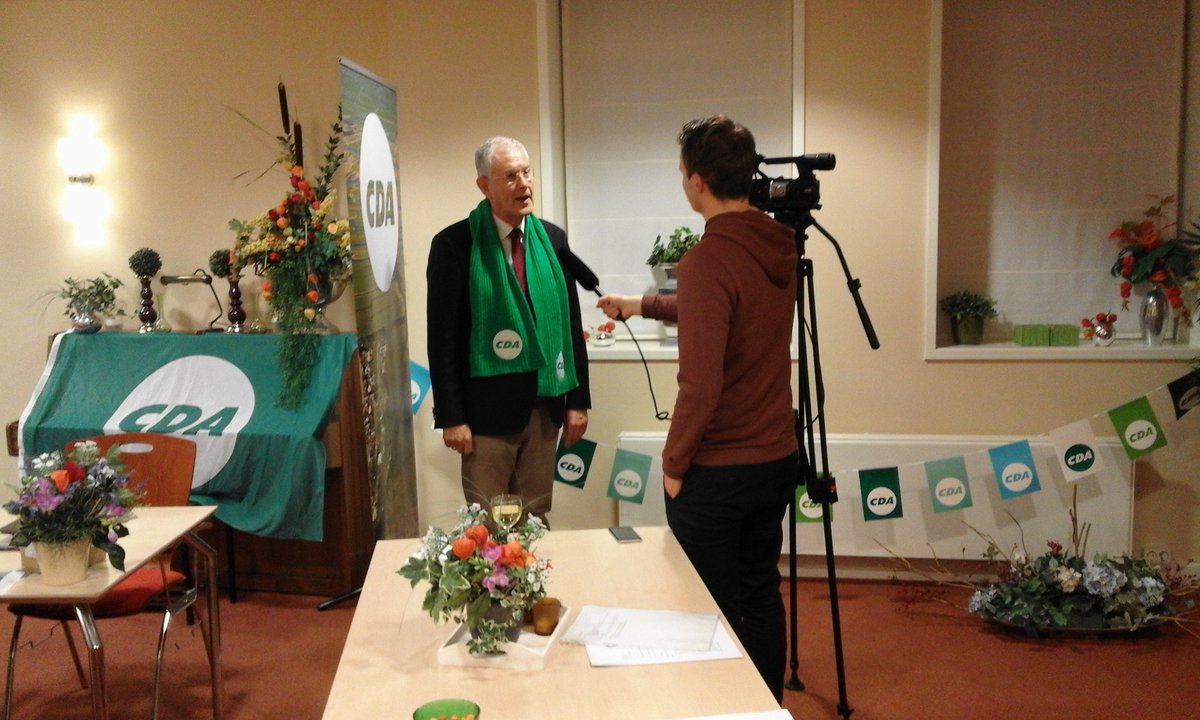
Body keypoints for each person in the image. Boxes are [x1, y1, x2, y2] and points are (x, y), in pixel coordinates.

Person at [598, 116, 798, 702]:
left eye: (683, 173)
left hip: (719, 470)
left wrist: (675, 463)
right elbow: (726, 312)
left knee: (704, 605)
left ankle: (717, 708)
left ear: (699, 182)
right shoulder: (776, 245)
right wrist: (643, 304)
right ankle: (765, 706)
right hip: (774, 458)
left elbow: (701, 384)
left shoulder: (709, 259)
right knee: (759, 591)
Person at [427, 137, 590, 524]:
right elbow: (441, 339)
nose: (524, 184)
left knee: (533, 518)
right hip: (484, 415)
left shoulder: (552, 240)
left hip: (545, 404)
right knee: (488, 523)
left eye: (527, 173)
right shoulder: (454, 245)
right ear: (485, 185)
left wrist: (579, 400)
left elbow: (571, 325)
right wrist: (451, 416)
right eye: (511, 176)